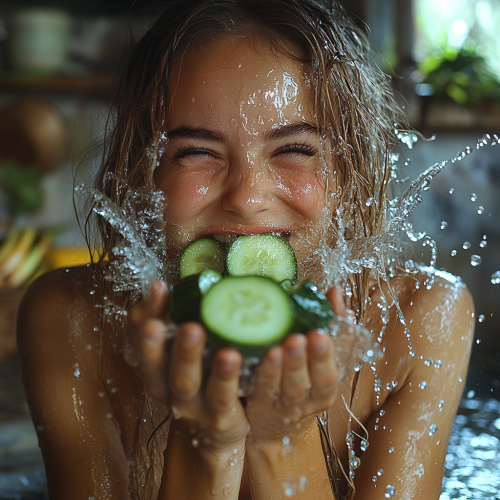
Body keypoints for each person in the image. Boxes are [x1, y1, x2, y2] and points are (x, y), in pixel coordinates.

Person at [17, 1, 474, 499]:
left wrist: (282, 434)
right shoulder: (70, 317)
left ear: (350, 172)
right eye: (196, 152)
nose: (247, 197)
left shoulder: (423, 317)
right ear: (141, 170)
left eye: (295, 149)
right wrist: (208, 444)